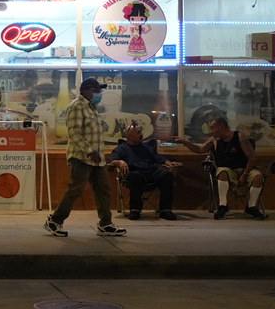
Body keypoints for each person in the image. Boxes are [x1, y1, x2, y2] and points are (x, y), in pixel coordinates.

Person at [44, 77, 127, 237]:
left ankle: (105, 224)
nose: (99, 93)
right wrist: (89, 150)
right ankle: (54, 221)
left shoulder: (91, 107)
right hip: (82, 157)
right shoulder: (76, 106)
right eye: (97, 90)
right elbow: (73, 132)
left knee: (103, 190)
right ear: (87, 90)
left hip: (97, 159)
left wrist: (97, 153)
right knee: (75, 189)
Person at [174, 116, 266, 220]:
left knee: (258, 176)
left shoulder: (239, 137)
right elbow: (200, 149)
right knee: (222, 171)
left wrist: (245, 174)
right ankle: (223, 206)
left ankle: (251, 207)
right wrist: (185, 142)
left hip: (244, 169)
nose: (211, 131)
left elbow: (252, 157)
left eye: (212, 128)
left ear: (221, 127)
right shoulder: (214, 140)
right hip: (227, 171)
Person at [109, 122, 182, 220]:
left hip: (151, 174)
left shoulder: (147, 148)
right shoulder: (122, 148)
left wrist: (169, 163)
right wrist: (120, 162)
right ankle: (135, 210)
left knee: (167, 175)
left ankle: (165, 210)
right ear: (130, 135)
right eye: (139, 132)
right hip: (134, 175)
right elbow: (112, 161)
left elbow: (159, 158)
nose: (142, 134)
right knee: (135, 176)